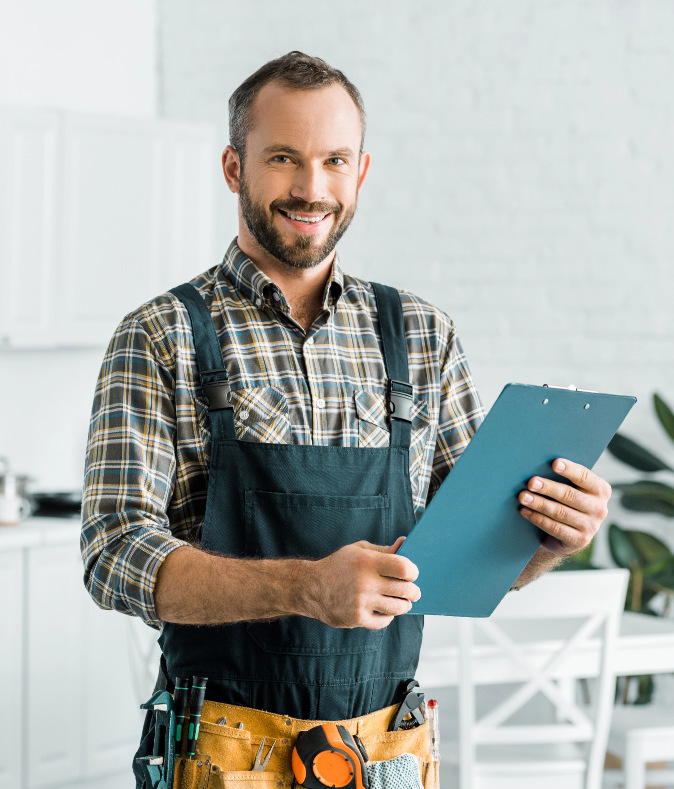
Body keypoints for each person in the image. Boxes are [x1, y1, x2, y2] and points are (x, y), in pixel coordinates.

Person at [81, 51, 612, 789]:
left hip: (387, 753)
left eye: (335, 160)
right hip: (221, 755)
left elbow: (468, 560)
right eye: (283, 158)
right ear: (234, 168)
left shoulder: (423, 335)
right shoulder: (162, 334)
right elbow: (113, 552)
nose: (311, 187)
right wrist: (304, 586)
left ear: (361, 171)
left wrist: (552, 536)